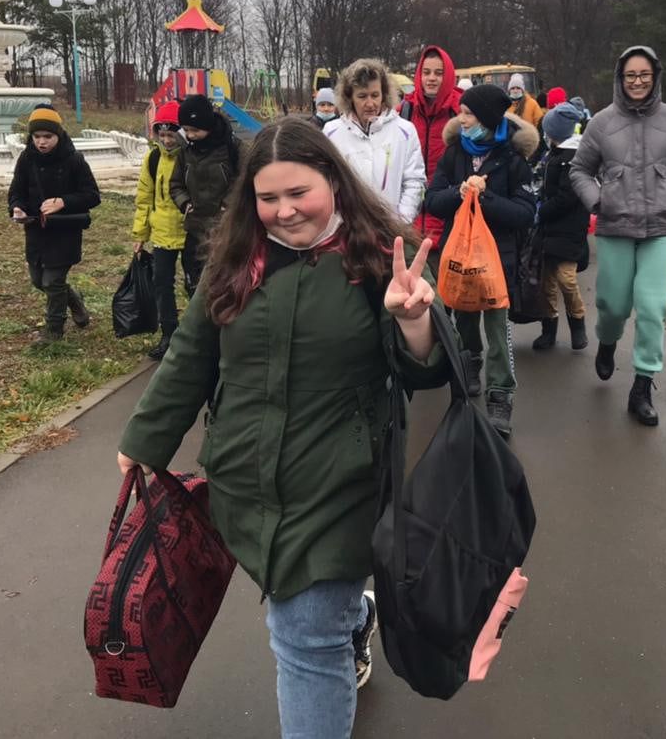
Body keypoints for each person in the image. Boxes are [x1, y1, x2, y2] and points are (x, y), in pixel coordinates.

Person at [116, 119, 449, 739]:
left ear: (334, 181)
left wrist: (413, 324)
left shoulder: (382, 257)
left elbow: (427, 374)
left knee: (304, 643)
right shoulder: (238, 257)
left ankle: (336, 629)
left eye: (299, 194)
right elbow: (192, 352)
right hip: (244, 475)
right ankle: (353, 617)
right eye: (268, 198)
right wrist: (143, 441)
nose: (284, 211)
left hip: (340, 482)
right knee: (309, 612)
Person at [569, 46, 666, 426]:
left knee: (653, 306)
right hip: (616, 225)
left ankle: (642, 384)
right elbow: (579, 169)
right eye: (631, 75)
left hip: (661, 226)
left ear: (655, 76)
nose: (638, 81)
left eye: (644, 74)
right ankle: (607, 344)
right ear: (620, 79)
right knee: (612, 305)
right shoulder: (602, 123)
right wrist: (598, 200)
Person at [423, 83, 537, 434]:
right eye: (461, 111)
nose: (462, 118)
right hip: (460, 254)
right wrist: (459, 193)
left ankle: (500, 395)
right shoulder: (455, 153)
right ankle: (470, 361)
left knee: (499, 330)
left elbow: (525, 212)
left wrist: (486, 198)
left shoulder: (513, 159)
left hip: (497, 259)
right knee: (465, 317)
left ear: (486, 117)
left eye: (468, 113)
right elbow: (432, 200)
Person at [7, 104, 101, 347]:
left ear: (58, 135)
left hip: (65, 232)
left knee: (53, 282)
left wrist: (64, 202)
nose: (42, 142)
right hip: (36, 232)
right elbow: (15, 192)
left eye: (47, 136)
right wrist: (16, 208)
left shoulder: (74, 160)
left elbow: (92, 195)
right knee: (39, 281)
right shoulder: (26, 159)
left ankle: (54, 330)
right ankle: (75, 301)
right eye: (37, 137)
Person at [323, 57, 427, 223]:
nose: (370, 103)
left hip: (393, 231)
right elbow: (325, 183)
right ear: (349, 97)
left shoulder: (405, 131)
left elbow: (414, 181)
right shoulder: (331, 133)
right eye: (362, 96)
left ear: (384, 95)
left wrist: (401, 221)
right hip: (347, 233)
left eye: (375, 95)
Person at [130, 102, 189, 360]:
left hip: (190, 232)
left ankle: (198, 332)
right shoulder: (153, 159)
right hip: (162, 233)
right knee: (162, 283)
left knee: (193, 285)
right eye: (161, 135)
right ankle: (169, 332)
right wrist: (140, 234)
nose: (166, 140)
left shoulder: (190, 157)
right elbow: (145, 197)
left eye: (171, 135)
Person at [169, 93, 242, 301]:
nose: (190, 135)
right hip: (195, 226)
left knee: (223, 279)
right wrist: (184, 203)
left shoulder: (232, 148)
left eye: (195, 130)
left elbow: (244, 179)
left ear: (208, 126)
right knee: (194, 278)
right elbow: (175, 184)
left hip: (225, 227)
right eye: (187, 130)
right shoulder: (185, 152)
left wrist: (227, 205)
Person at [533, 103, 590, 352]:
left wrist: (541, 211)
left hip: (567, 229)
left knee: (567, 280)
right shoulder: (552, 156)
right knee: (546, 284)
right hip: (548, 231)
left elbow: (567, 197)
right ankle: (549, 329)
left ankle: (578, 324)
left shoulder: (573, 159)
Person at [400, 45, 463, 245]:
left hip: (448, 220)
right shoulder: (404, 111)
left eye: (438, 73)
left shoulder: (461, 111)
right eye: (426, 72)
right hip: (410, 221)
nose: (431, 78)